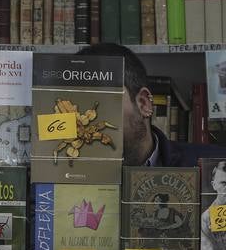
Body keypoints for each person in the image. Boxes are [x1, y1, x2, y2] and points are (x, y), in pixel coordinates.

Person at [78, 43, 226, 167]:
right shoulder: (59, 177)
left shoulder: (215, 166)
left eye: (102, 103)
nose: (88, 121)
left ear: (144, 104)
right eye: (77, 111)